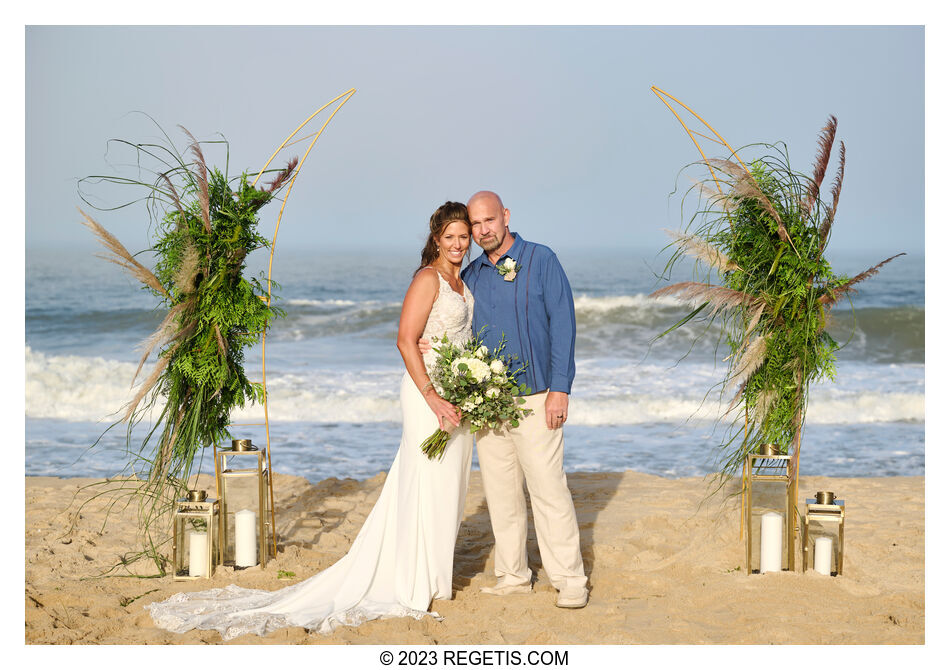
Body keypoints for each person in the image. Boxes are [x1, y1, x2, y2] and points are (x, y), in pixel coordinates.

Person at [148, 202, 476, 639]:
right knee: (422, 483)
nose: (457, 244)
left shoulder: (461, 279)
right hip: (427, 396)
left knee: (447, 487)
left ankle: (435, 575)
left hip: (458, 393)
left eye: (463, 236)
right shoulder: (427, 279)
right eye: (449, 236)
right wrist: (433, 396)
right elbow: (404, 340)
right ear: (436, 238)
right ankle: (412, 578)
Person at [455, 190, 589, 608]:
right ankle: (513, 575)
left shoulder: (542, 260)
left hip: (537, 399)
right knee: (502, 494)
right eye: (475, 225)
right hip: (488, 404)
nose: (482, 231)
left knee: (549, 490)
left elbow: (563, 323)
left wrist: (560, 388)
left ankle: (569, 580)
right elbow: (460, 331)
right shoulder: (472, 275)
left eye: (489, 221)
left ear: (506, 216)